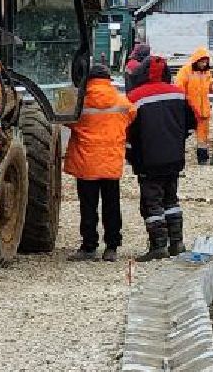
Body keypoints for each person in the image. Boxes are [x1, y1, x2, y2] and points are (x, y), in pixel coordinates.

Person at [126, 56, 196, 259]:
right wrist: (177, 140)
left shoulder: (135, 97)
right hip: (174, 158)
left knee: (152, 203)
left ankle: (158, 246)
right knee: (171, 200)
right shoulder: (179, 94)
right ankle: (177, 242)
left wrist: (131, 155)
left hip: (148, 160)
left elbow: (129, 132)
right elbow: (191, 124)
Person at [64, 63, 133, 261]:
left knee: (88, 206)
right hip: (111, 162)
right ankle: (111, 247)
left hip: (86, 163)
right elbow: (132, 114)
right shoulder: (121, 100)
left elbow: (63, 117)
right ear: (108, 79)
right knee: (112, 205)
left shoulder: (78, 100)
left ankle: (89, 246)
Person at [174, 47, 213, 165]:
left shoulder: (207, 72)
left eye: (206, 62)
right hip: (190, 110)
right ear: (196, 60)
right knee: (182, 134)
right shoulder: (185, 71)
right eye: (202, 62)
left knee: (203, 137)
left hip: (203, 110)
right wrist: (184, 105)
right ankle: (178, 158)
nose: (204, 64)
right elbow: (179, 89)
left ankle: (203, 159)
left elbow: (211, 87)